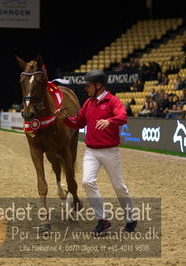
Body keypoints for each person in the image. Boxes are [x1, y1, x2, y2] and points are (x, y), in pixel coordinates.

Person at [55, 70, 137, 235]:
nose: (86, 88)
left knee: (119, 186)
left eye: (88, 85)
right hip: (91, 151)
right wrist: (64, 117)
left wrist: (109, 121)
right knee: (87, 182)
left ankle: (131, 218)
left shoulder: (112, 101)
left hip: (110, 151)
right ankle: (103, 220)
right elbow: (78, 122)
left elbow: (123, 117)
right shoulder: (88, 103)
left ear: (98, 85)